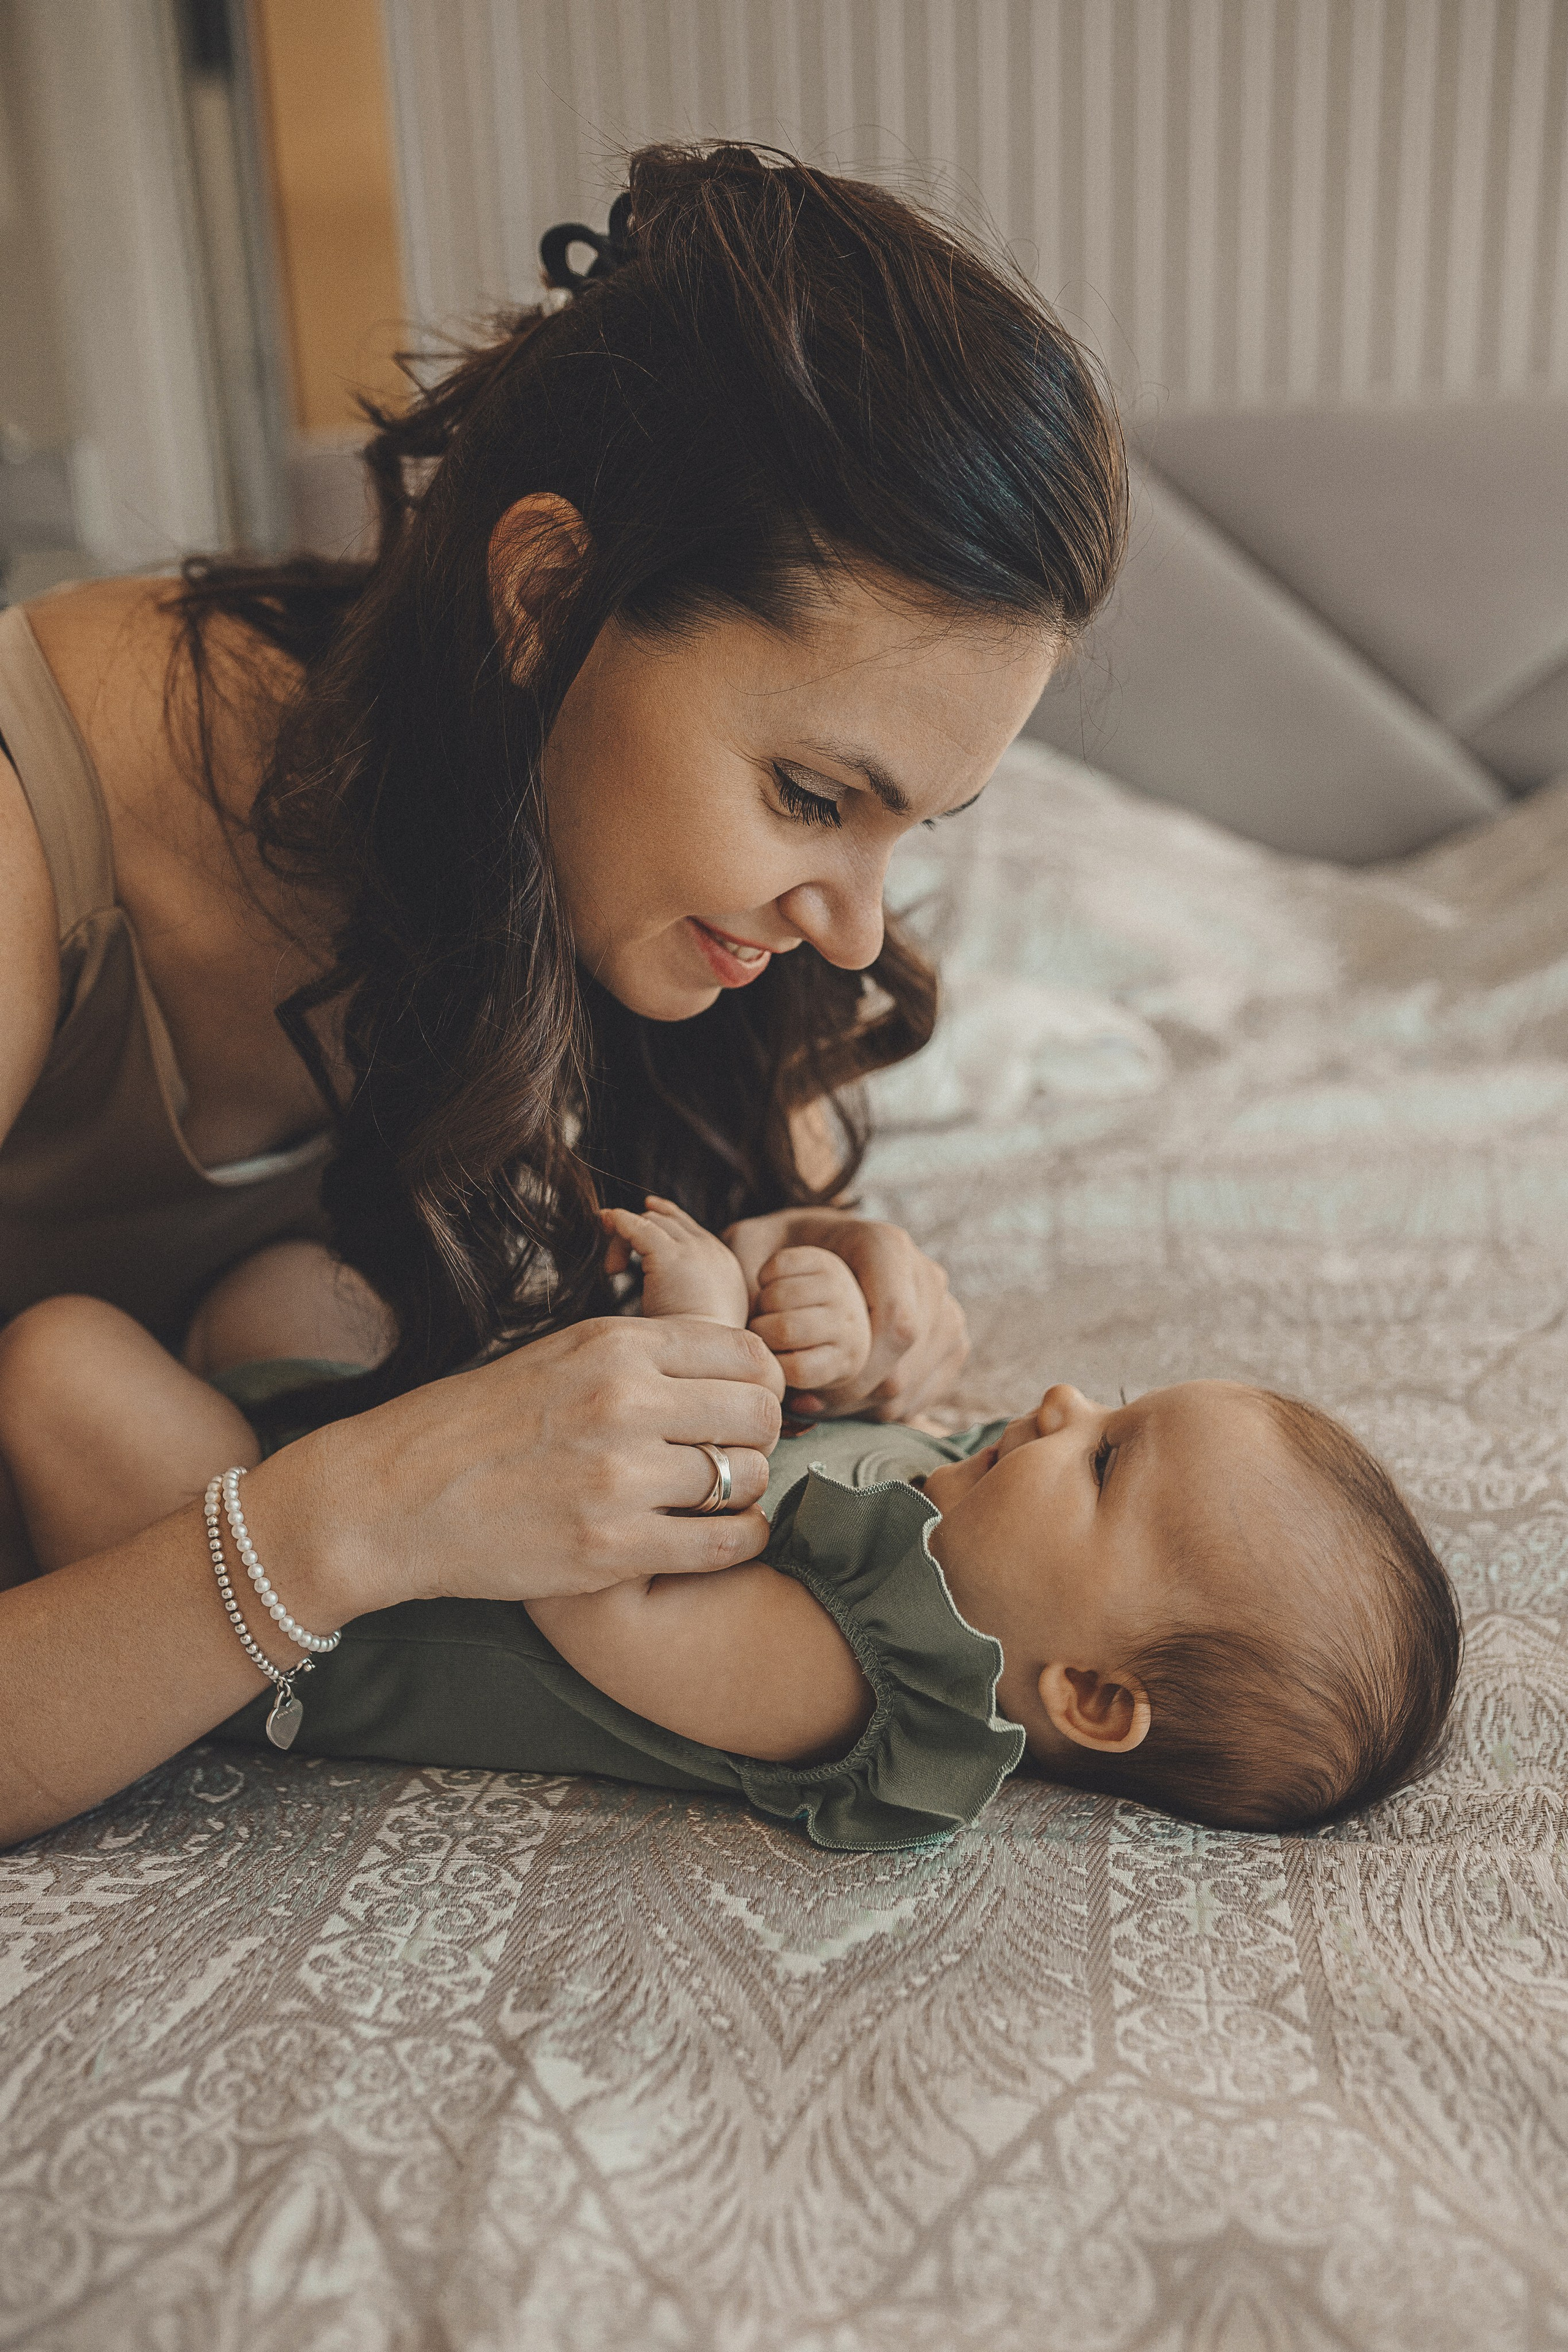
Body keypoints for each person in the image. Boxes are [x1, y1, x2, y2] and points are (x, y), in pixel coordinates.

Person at [0, 142, 1128, 1846]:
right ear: (543, 595)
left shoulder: (622, 903)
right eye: (815, 799)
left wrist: (816, 1298)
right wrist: (349, 1522)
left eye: (914, 826)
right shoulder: (36, 844)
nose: (850, 932)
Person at [0, 1197, 1462, 1844]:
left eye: (1106, 1461)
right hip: (413, 1463)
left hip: (329, 1628)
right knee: (286, 1285)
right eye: (1122, 1398)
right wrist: (808, 1326)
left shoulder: (854, 1686)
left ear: (1086, 1692)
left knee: (61, 1355)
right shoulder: (965, 1516)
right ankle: (231, 1387)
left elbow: (604, 1590)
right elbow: (815, 1444)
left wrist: (692, 1331)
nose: (1068, 1398)